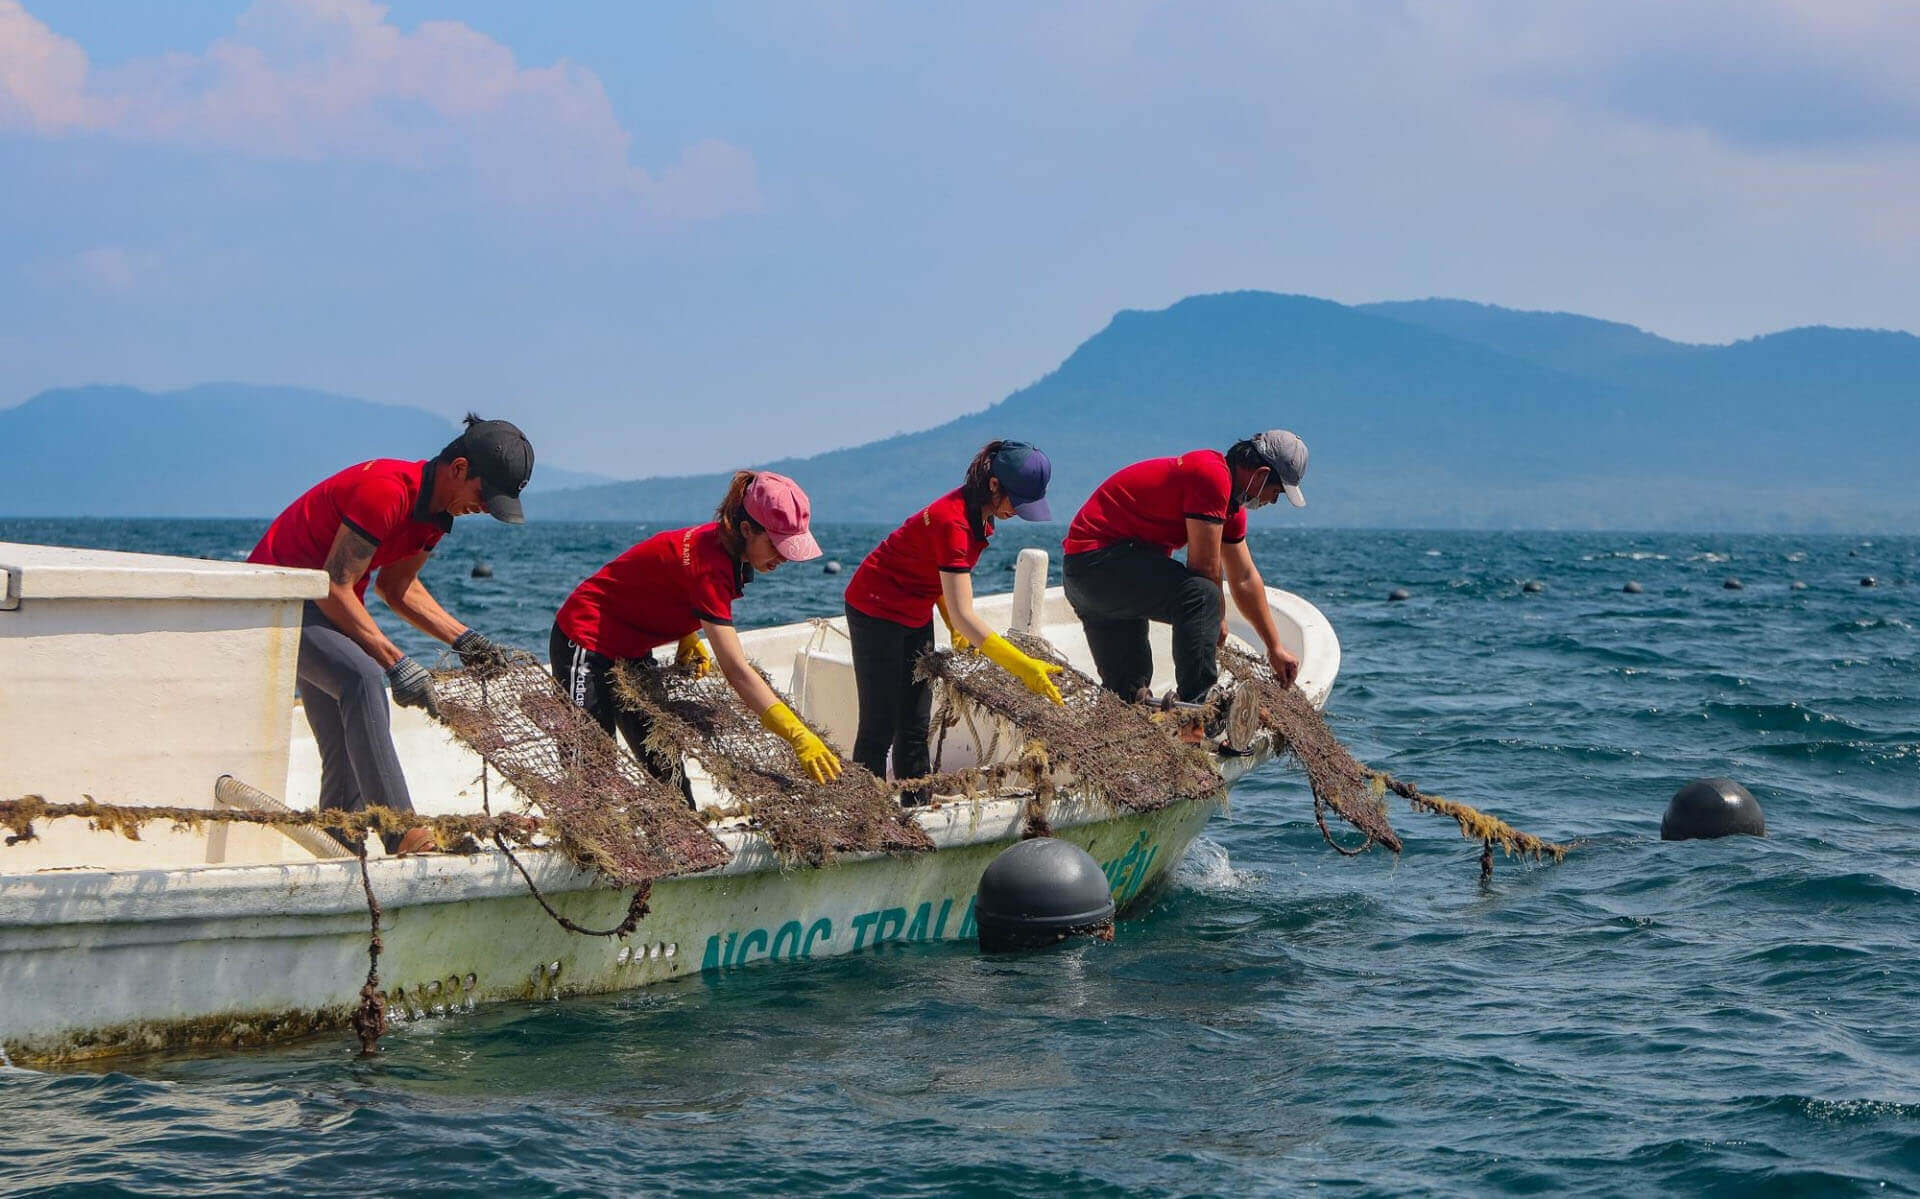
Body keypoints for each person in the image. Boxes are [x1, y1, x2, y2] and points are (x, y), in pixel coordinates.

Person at [249, 415, 533, 848]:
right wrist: (396, 661)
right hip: (273, 606)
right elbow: (333, 585)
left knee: (348, 739)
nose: (484, 509)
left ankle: (340, 840)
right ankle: (401, 830)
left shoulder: (436, 517)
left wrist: (464, 639)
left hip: (326, 609)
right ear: (458, 469)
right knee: (362, 678)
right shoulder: (387, 490)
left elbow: (396, 588)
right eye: (483, 495)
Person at [551, 470, 841, 799]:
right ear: (747, 529)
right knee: (591, 771)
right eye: (777, 545)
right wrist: (798, 735)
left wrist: (689, 634)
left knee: (664, 763)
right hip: (585, 641)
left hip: (631, 649)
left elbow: (664, 578)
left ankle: (682, 842)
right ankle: (591, 843)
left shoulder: (727, 547)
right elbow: (736, 670)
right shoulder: (710, 567)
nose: (784, 557)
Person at [843, 441, 1061, 803]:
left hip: (914, 610)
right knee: (878, 726)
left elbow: (940, 579)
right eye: (1017, 501)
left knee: (914, 725)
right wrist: (1023, 667)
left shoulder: (980, 515)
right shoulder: (953, 521)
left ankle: (917, 809)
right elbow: (965, 612)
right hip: (874, 609)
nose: (1018, 512)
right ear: (994, 485)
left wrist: (953, 624)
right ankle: (866, 815)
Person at [1061, 429, 1308, 707]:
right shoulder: (1210, 474)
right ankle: (1196, 712)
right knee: (1200, 595)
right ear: (1260, 475)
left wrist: (1274, 648)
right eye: (1276, 493)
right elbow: (1203, 567)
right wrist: (1216, 622)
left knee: (1128, 696)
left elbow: (1244, 578)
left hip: (1099, 579)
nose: (1272, 502)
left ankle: (1141, 714)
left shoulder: (1230, 510)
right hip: (1098, 566)